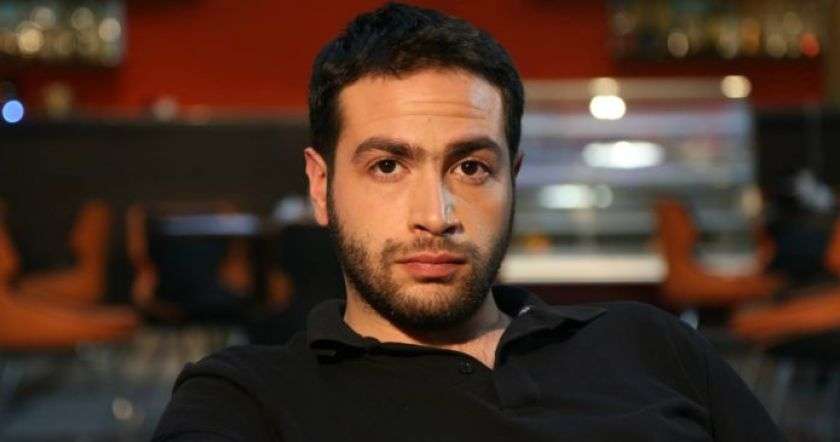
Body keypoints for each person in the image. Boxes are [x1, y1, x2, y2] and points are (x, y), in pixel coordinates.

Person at [153, 3, 784, 441]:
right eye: (387, 166)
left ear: (514, 177)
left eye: (472, 168)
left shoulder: (648, 345)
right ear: (322, 187)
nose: (436, 216)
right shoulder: (246, 400)